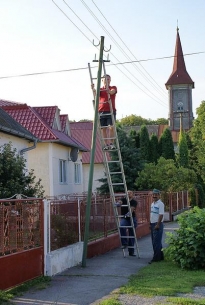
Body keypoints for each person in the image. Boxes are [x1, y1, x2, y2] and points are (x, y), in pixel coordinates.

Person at [91, 74, 117, 150]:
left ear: (110, 80)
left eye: (108, 79)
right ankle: (106, 145)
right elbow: (96, 95)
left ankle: (111, 143)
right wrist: (93, 89)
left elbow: (112, 92)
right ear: (102, 80)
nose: (107, 81)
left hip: (111, 110)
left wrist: (107, 89)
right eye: (105, 79)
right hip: (101, 111)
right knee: (103, 129)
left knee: (111, 127)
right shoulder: (100, 89)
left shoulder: (113, 87)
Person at [116, 190, 138, 256]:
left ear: (132, 194)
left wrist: (129, 213)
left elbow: (132, 208)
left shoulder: (134, 201)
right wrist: (118, 203)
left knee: (132, 234)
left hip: (132, 218)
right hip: (125, 218)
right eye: (127, 193)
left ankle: (131, 252)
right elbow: (120, 202)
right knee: (121, 226)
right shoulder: (123, 199)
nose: (128, 194)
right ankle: (124, 243)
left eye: (130, 193)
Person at [149, 188, 164, 264]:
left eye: (156, 195)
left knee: (156, 242)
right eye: (153, 195)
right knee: (156, 241)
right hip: (152, 223)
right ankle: (161, 256)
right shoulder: (152, 204)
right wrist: (150, 223)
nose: (154, 196)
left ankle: (156, 258)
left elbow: (161, 214)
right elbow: (152, 214)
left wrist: (158, 224)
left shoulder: (160, 204)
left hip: (157, 224)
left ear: (159, 195)